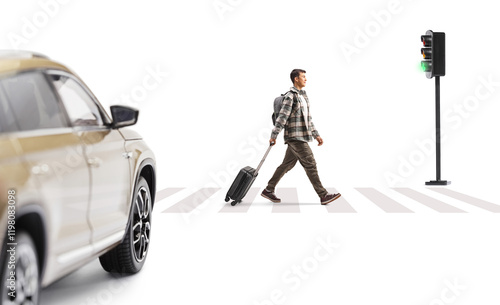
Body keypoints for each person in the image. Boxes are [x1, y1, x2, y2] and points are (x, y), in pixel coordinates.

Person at [261, 69, 341, 205]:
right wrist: (274, 135)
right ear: (296, 79)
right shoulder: (290, 96)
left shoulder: (303, 96)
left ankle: (268, 189)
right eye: (303, 77)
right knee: (310, 164)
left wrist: (316, 135)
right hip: (294, 137)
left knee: (287, 164)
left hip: (302, 136)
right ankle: (323, 195)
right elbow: (282, 117)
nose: (306, 79)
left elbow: (308, 119)